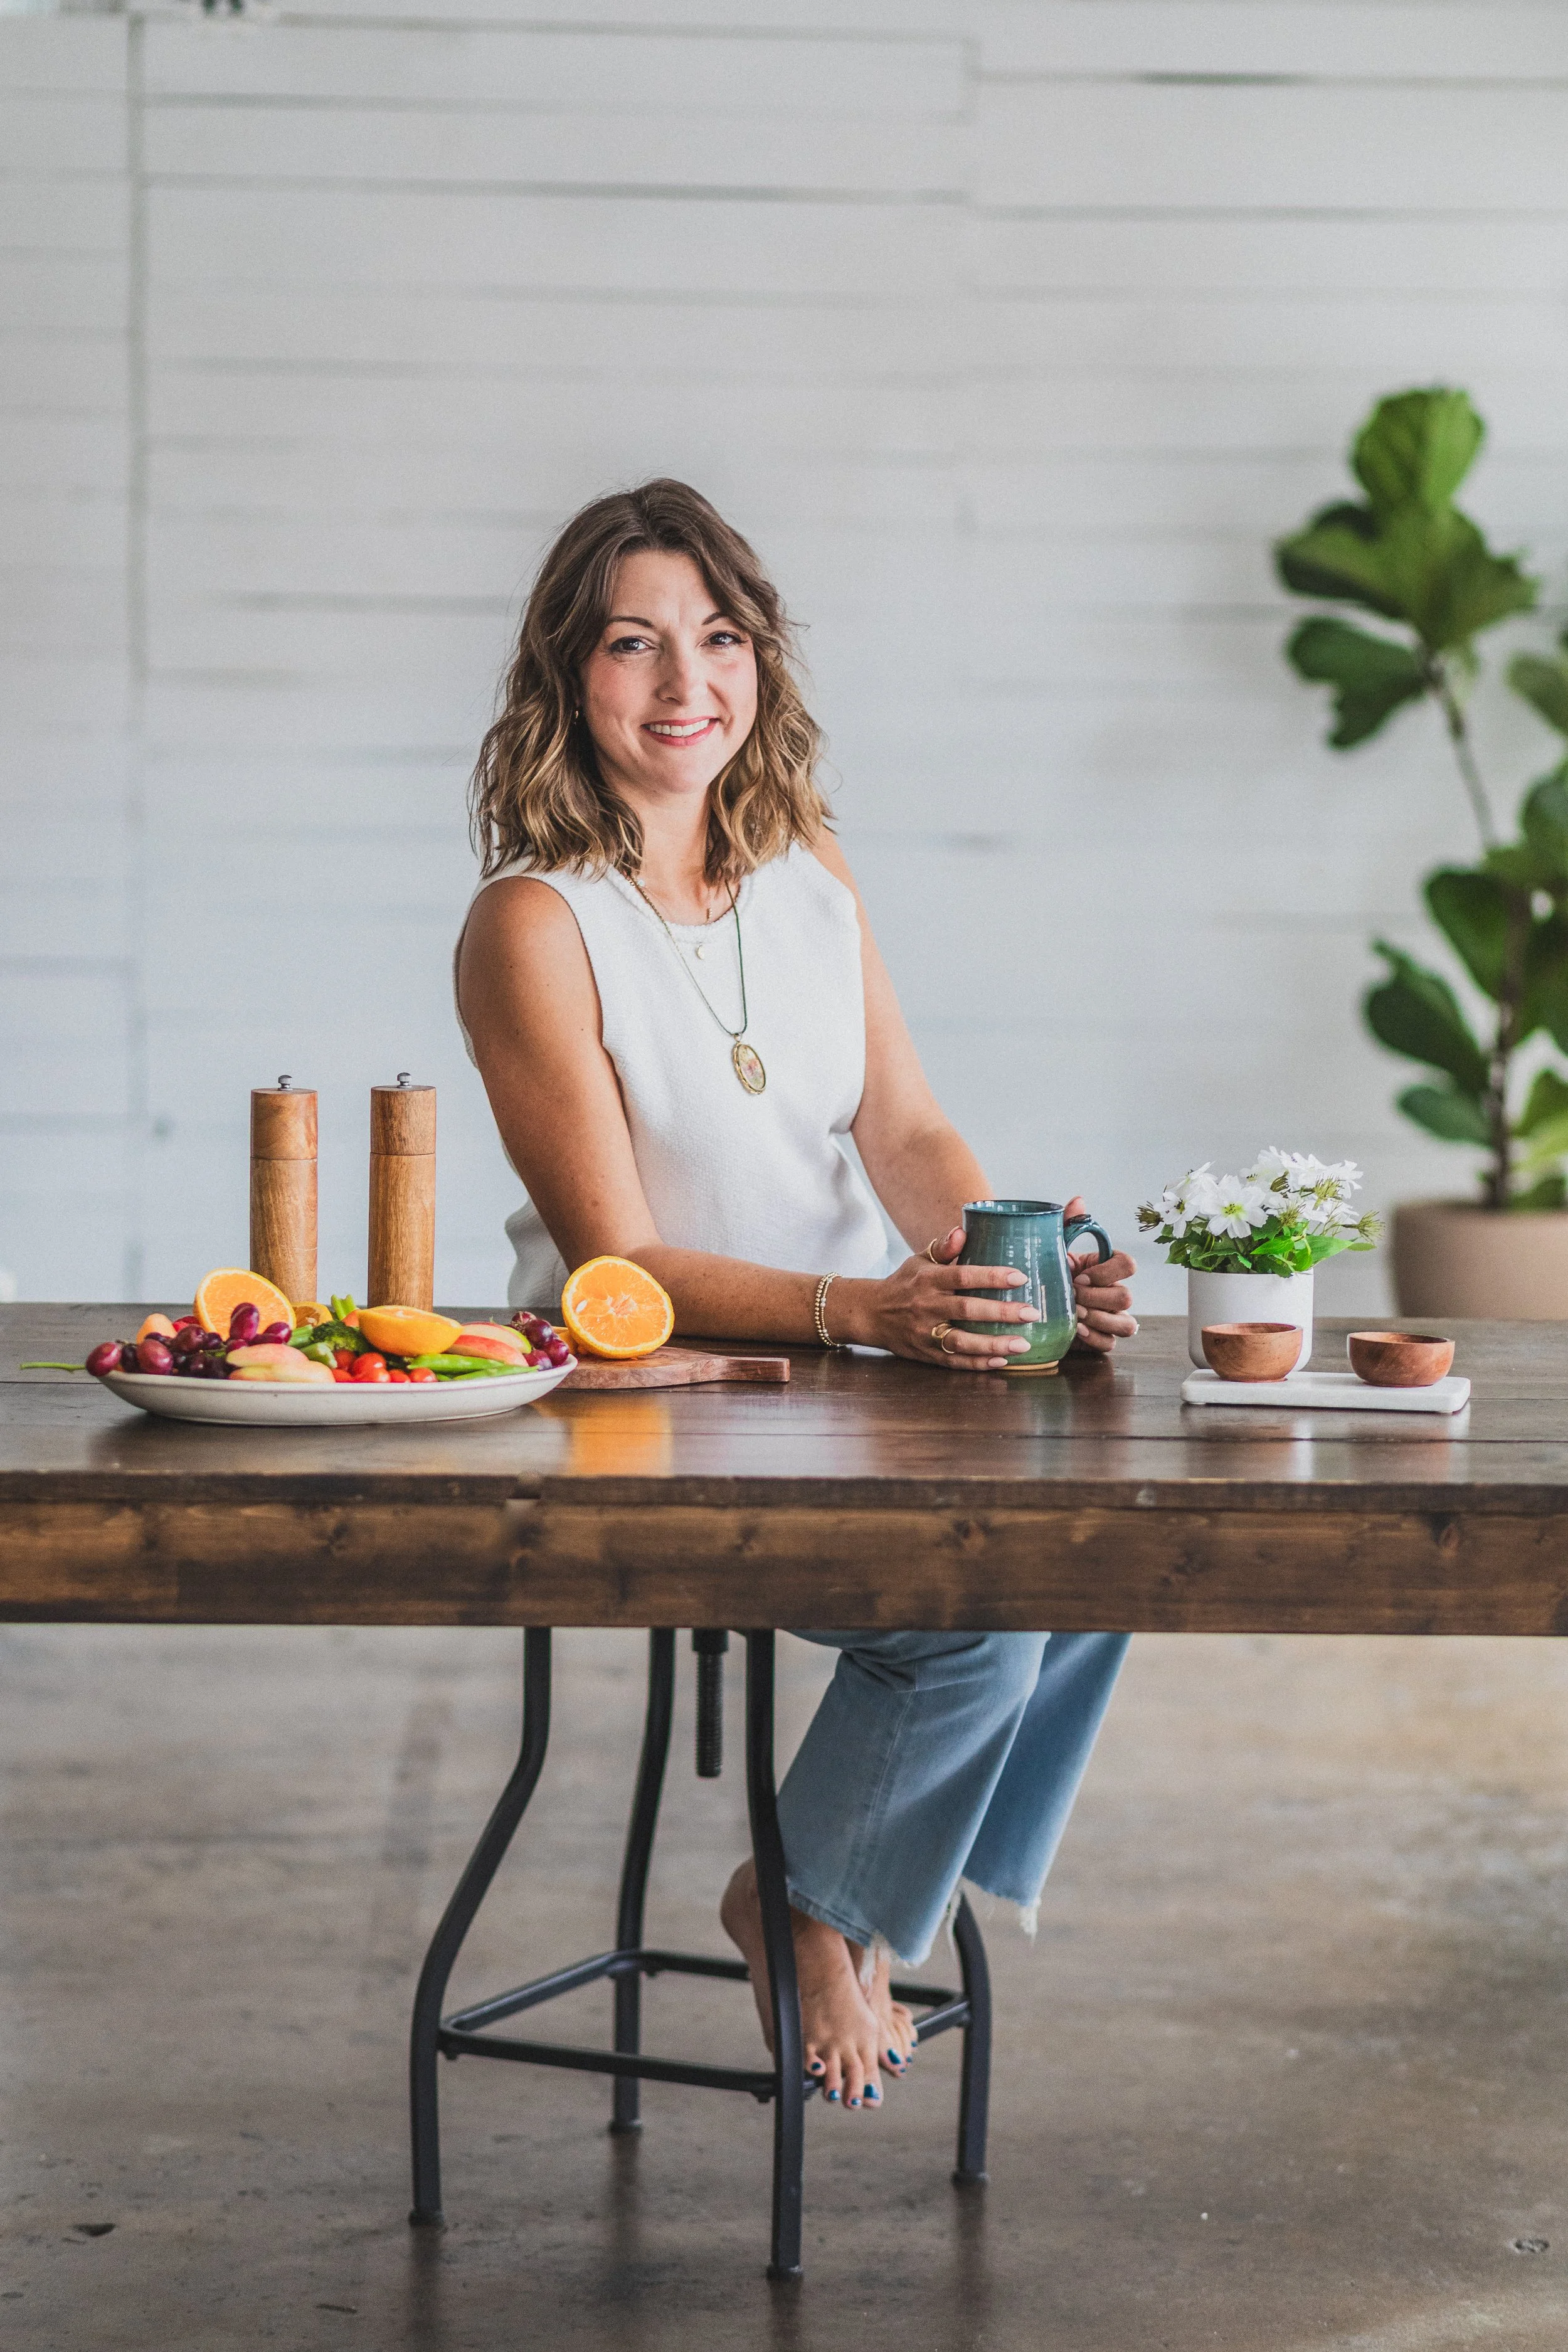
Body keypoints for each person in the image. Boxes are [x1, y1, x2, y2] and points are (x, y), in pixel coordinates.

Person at [455, 479, 1137, 2114]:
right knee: (975, 1613)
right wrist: (860, 1313)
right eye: (631, 643)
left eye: (716, 636)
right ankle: (806, 1895)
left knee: (1107, 1543)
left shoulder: (805, 864)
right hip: (667, 1406)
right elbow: (617, 1266)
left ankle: (830, 1888)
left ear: (758, 658)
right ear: (567, 677)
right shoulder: (535, 926)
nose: (683, 679)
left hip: (862, 1375)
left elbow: (899, 1126)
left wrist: (1012, 1271)